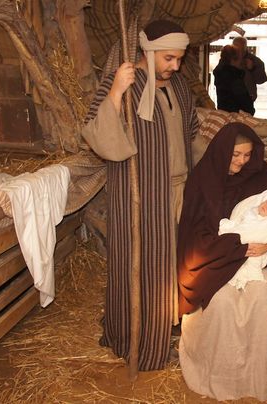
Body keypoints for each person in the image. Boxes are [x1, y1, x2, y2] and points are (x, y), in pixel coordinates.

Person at [81, 20, 198, 371]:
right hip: (141, 193)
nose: (175, 66)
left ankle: (165, 331)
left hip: (178, 189)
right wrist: (116, 91)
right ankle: (137, 338)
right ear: (148, 51)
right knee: (143, 266)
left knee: (172, 268)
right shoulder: (125, 81)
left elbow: (190, 132)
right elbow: (95, 134)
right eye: (168, 58)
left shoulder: (177, 84)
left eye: (179, 58)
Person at [177, 122, 267, 401]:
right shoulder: (203, 180)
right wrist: (237, 246)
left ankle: (254, 374)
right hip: (214, 258)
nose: (241, 161)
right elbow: (194, 233)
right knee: (222, 302)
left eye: (247, 155)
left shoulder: (260, 178)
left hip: (256, 259)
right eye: (235, 155)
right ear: (223, 150)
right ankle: (219, 374)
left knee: (262, 297)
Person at [219, 188, 267, 290]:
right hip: (230, 248)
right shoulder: (250, 212)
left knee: (262, 291)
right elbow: (240, 224)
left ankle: (247, 275)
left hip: (257, 254)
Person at [213, 45, 255, 114]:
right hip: (236, 116)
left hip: (224, 114)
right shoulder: (234, 77)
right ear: (233, 60)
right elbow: (246, 106)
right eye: (240, 59)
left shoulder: (220, 73)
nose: (242, 61)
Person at [233, 36, 267, 112]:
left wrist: (252, 68)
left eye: (241, 47)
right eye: (235, 47)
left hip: (248, 98)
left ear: (245, 47)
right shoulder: (227, 60)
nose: (238, 50)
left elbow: (261, 80)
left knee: (245, 120)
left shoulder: (254, 61)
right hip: (229, 98)